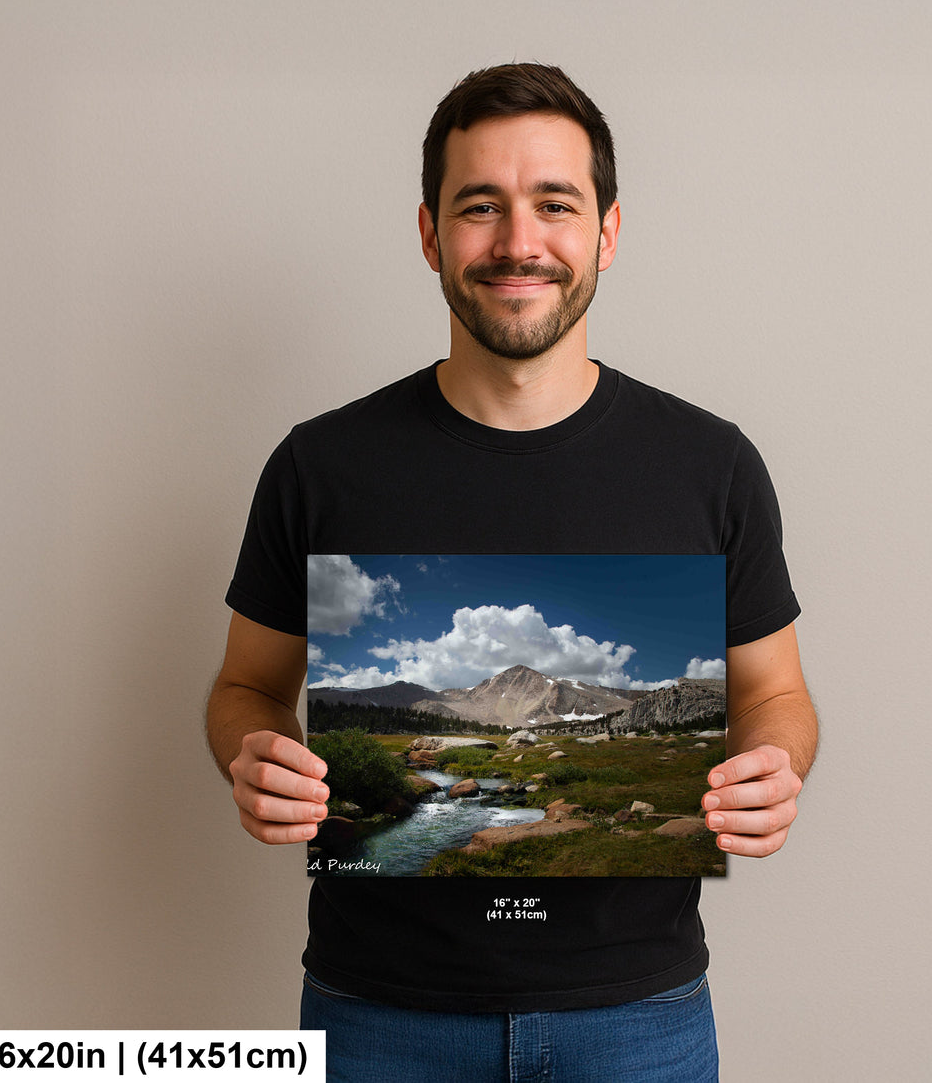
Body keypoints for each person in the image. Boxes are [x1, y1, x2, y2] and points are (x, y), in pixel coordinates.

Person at [206, 62, 818, 1082]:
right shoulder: (320, 464)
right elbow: (244, 686)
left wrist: (773, 765)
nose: (517, 240)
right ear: (429, 233)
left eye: (553, 204)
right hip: (377, 1019)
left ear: (607, 233)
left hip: (638, 1017)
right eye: (479, 205)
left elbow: (778, 695)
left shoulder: (711, 465)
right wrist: (254, 752)